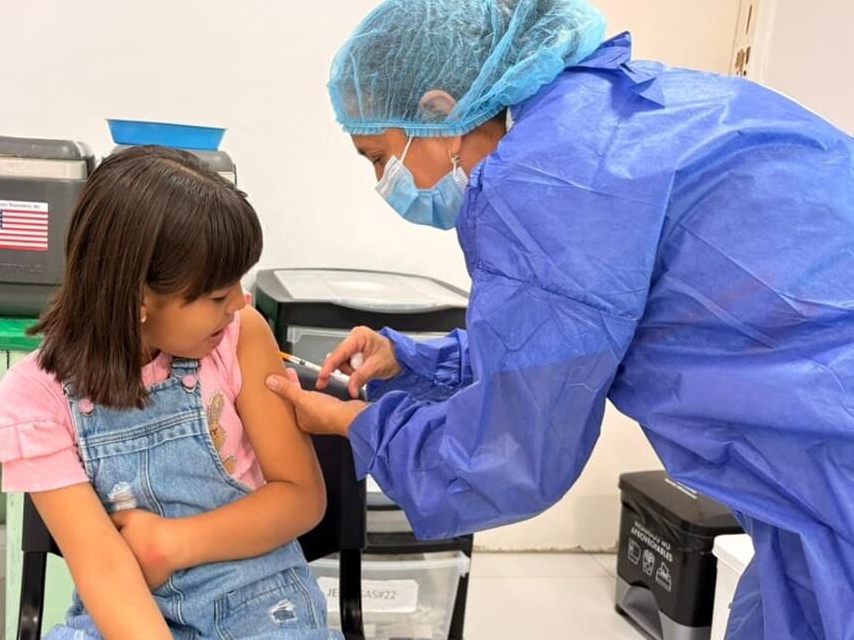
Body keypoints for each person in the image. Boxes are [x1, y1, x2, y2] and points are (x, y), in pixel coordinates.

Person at [264, 1, 854, 638]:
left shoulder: (544, 182)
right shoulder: (607, 111)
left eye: (378, 155)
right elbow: (569, 339)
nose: (385, 181)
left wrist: (361, 424)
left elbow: (512, 455)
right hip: (815, 458)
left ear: (437, 110)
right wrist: (415, 361)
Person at [0, 146, 338, 639]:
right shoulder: (33, 400)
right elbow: (104, 567)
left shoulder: (241, 336)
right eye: (218, 295)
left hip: (260, 602)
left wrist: (172, 543)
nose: (241, 301)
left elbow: (301, 500)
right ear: (139, 300)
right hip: (125, 606)